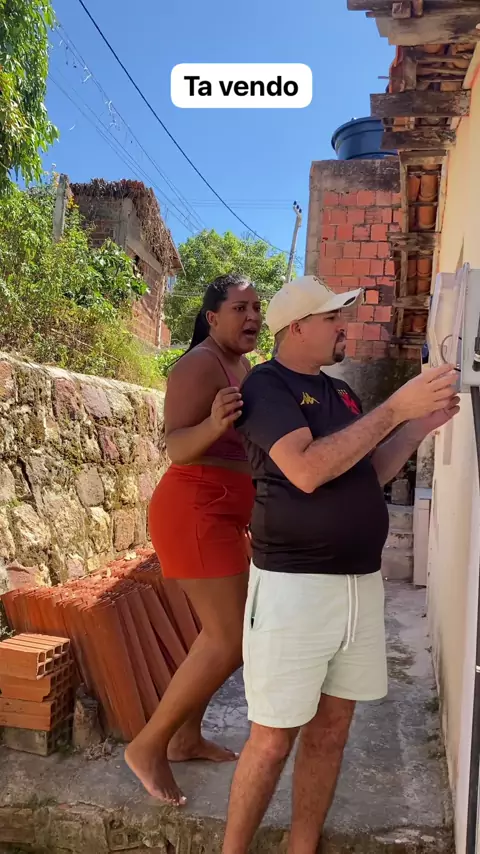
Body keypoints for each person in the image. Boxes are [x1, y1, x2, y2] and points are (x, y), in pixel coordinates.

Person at [222, 275, 459, 854]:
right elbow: (306, 470)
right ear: (297, 328)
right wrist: (395, 408)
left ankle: (302, 847)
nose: (342, 327)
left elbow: (368, 471)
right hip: (294, 591)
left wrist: (418, 426)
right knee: (272, 739)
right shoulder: (266, 386)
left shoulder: (343, 394)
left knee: (331, 732)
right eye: (332, 318)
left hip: (359, 587)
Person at [125, 273, 262, 806]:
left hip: (223, 515)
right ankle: (148, 746)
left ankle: (184, 739)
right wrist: (213, 424)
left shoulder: (243, 366)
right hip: (194, 511)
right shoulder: (197, 365)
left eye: (256, 307)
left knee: (223, 634)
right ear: (212, 317)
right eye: (240, 308)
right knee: (231, 638)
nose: (252, 317)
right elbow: (177, 445)